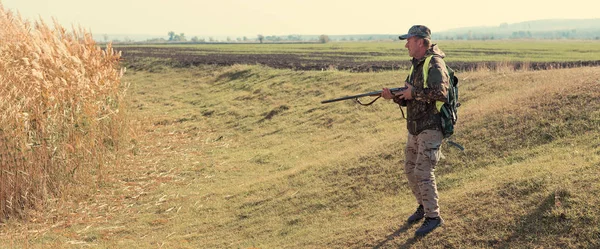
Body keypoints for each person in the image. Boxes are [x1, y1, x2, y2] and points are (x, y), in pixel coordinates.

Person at [381, 25, 449, 237]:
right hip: (415, 127)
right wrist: (396, 97)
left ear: (420, 41)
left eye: (408, 40)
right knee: (411, 170)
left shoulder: (435, 63)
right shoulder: (416, 65)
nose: (406, 45)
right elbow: (410, 98)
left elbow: (441, 94)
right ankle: (423, 207)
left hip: (431, 127)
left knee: (423, 172)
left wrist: (413, 93)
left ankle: (433, 217)